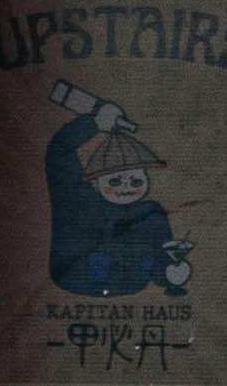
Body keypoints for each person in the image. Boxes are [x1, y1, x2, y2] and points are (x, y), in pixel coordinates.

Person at [42, 81, 192, 296]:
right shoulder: (79, 200)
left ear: (146, 181)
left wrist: (171, 273)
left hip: (132, 285)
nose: (126, 188)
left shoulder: (151, 213)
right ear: (97, 182)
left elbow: (161, 255)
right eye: (114, 181)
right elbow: (58, 151)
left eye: (136, 182)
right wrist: (93, 123)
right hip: (77, 279)